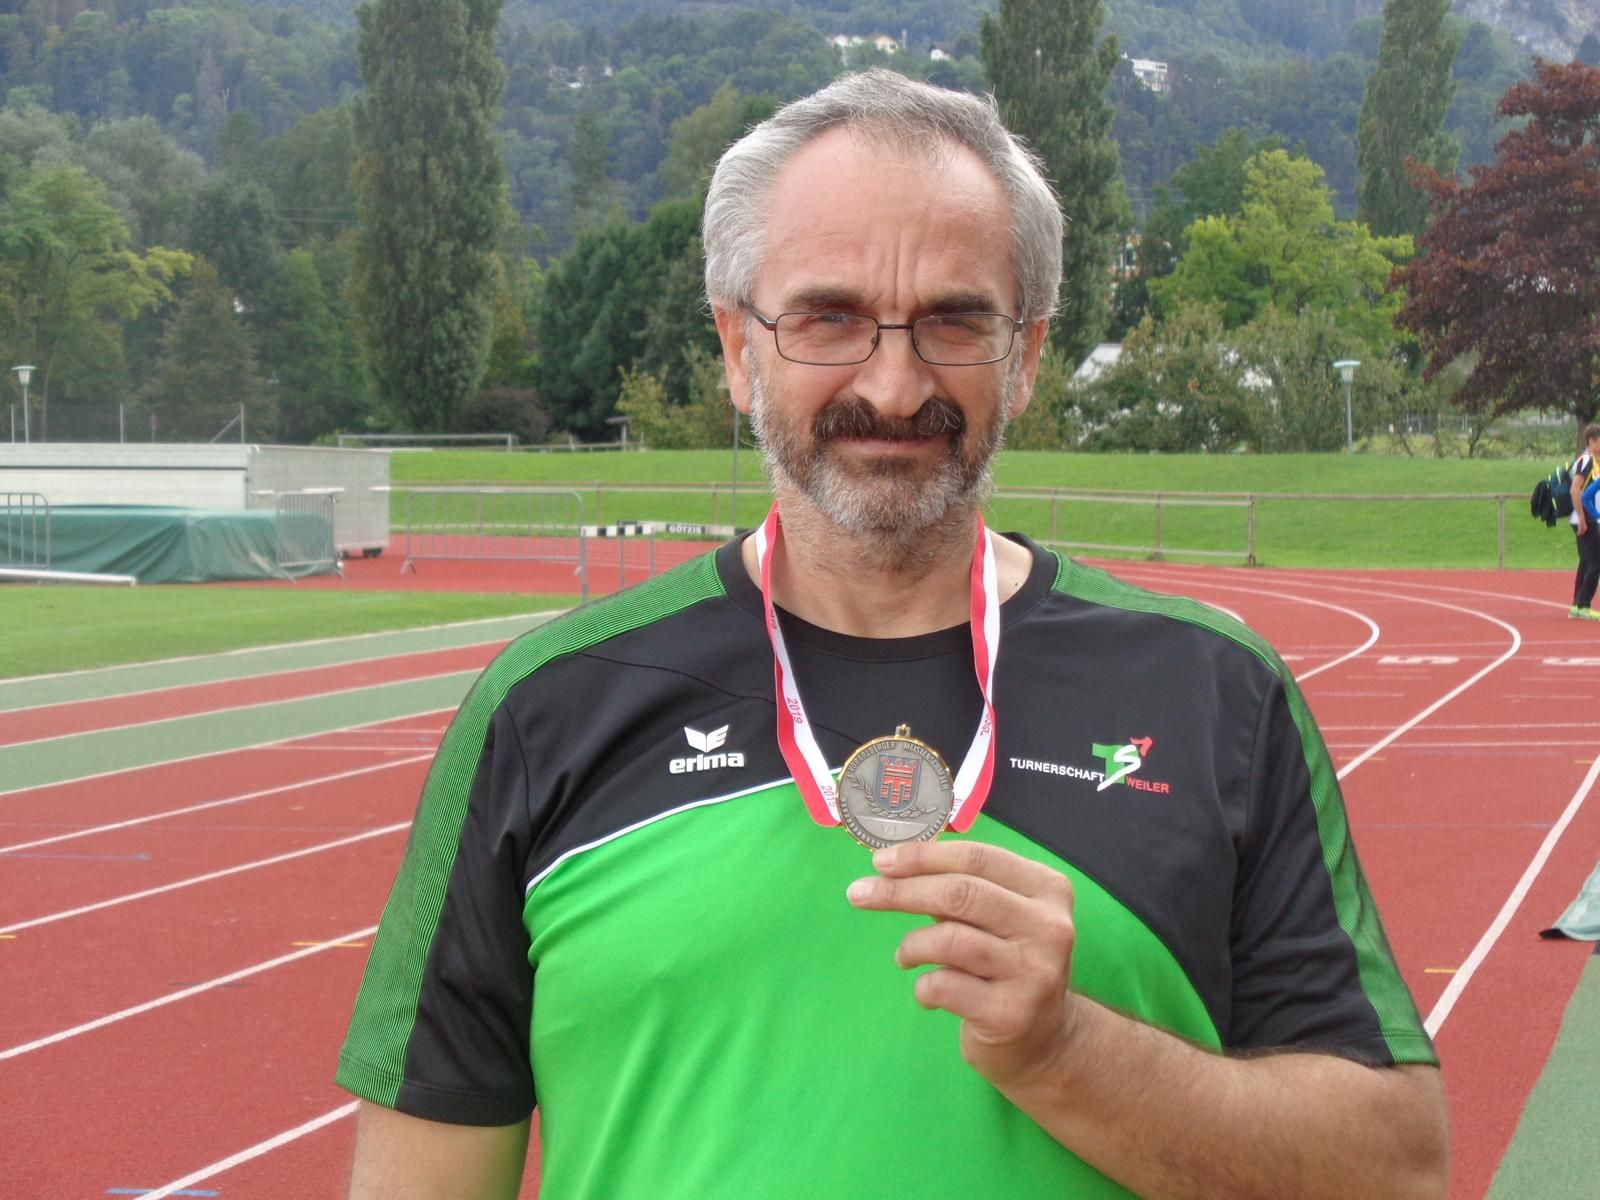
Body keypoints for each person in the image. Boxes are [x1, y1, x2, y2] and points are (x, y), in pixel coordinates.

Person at [336, 70, 1448, 1199]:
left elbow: (1394, 1171)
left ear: (1024, 354)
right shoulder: (546, 708)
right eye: (828, 318)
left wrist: (1066, 1052)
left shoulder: (1213, 691)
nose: (895, 382)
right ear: (738, 348)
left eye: (955, 321)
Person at [1569, 423, 1600, 619]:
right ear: (1592, 441)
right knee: (1595, 563)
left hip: (1587, 517)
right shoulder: (1586, 461)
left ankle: (1577, 604)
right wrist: (1581, 518)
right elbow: (1575, 489)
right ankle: (1582, 605)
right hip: (1585, 517)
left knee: (1586, 562)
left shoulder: (1593, 462)